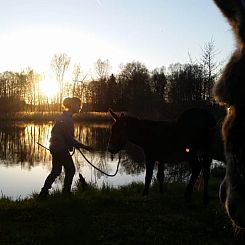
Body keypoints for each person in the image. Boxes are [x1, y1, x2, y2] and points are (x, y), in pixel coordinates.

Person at [39, 97, 93, 197]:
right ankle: (66, 193)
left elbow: (58, 134)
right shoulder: (67, 119)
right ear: (72, 105)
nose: (80, 106)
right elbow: (69, 138)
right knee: (71, 170)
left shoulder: (62, 117)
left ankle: (43, 192)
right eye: (78, 104)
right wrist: (85, 147)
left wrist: (69, 145)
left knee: (55, 171)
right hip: (60, 149)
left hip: (56, 148)